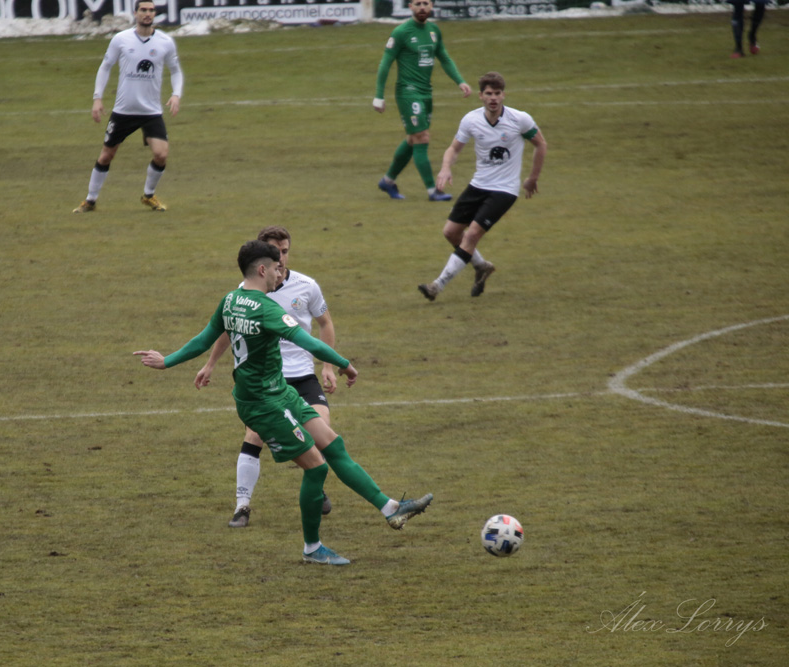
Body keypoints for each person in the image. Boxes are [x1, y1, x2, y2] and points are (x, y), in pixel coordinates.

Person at [135, 241, 433, 566]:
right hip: (264, 405)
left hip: (280, 392)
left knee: (333, 444)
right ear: (263, 269)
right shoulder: (267, 309)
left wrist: (167, 361)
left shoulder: (230, 300)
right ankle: (312, 548)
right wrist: (345, 364)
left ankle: (391, 508)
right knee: (317, 468)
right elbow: (309, 342)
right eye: (278, 268)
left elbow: (203, 339)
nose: (281, 273)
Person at [194, 226, 337, 529]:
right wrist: (210, 364)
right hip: (266, 382)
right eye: (276, 252)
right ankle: (242, 506)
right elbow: (228, 329)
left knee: (322, 431)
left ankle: (317, 484)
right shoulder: (248, 291)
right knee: (253, 436)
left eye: (285, 251)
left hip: (302, 376)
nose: (281, 258)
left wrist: (327, 366)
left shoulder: (307, 286)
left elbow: (325, 323)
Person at [418, 72, 547, 302]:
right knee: (451, 232)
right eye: (489, 93)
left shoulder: (520, 119)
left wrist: (532, 178)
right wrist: (446, 167)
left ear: (504, 95)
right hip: (478, 185)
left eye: (497, 93)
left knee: (471, 235)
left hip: (504, 190)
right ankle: (481, 266)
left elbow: (540, 144)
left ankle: (437, 286)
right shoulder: (471, 120)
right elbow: (454, 149)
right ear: (480, 96)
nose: (493, 98)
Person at [73, 0, 183, 214]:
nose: (147, 14)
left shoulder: (165, 42)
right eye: (143, 10)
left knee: (161, 154)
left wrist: (176, 94)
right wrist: (97, 98)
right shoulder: (121, 39)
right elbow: (105, 67)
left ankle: (148, 195)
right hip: (124, 111)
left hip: (151, 112)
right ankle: (90, 200)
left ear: (154, 14)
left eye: (151, 10)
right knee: (106, 155)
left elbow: (176, 70)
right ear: (135, 13)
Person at [373, 0, 472, 202]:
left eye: (426, 3)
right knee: (422, 137)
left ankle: (388, 181)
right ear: (410, 6)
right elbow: (385, 62)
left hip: (426, 93)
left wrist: (460, 81)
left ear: (432, 5)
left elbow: (444, 57)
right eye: (418, 3)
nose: (422, 7)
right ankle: (432, 190)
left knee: (413, 139)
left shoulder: (434, 31)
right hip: (408, 92)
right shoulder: (401, 32)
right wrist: (379, 95)